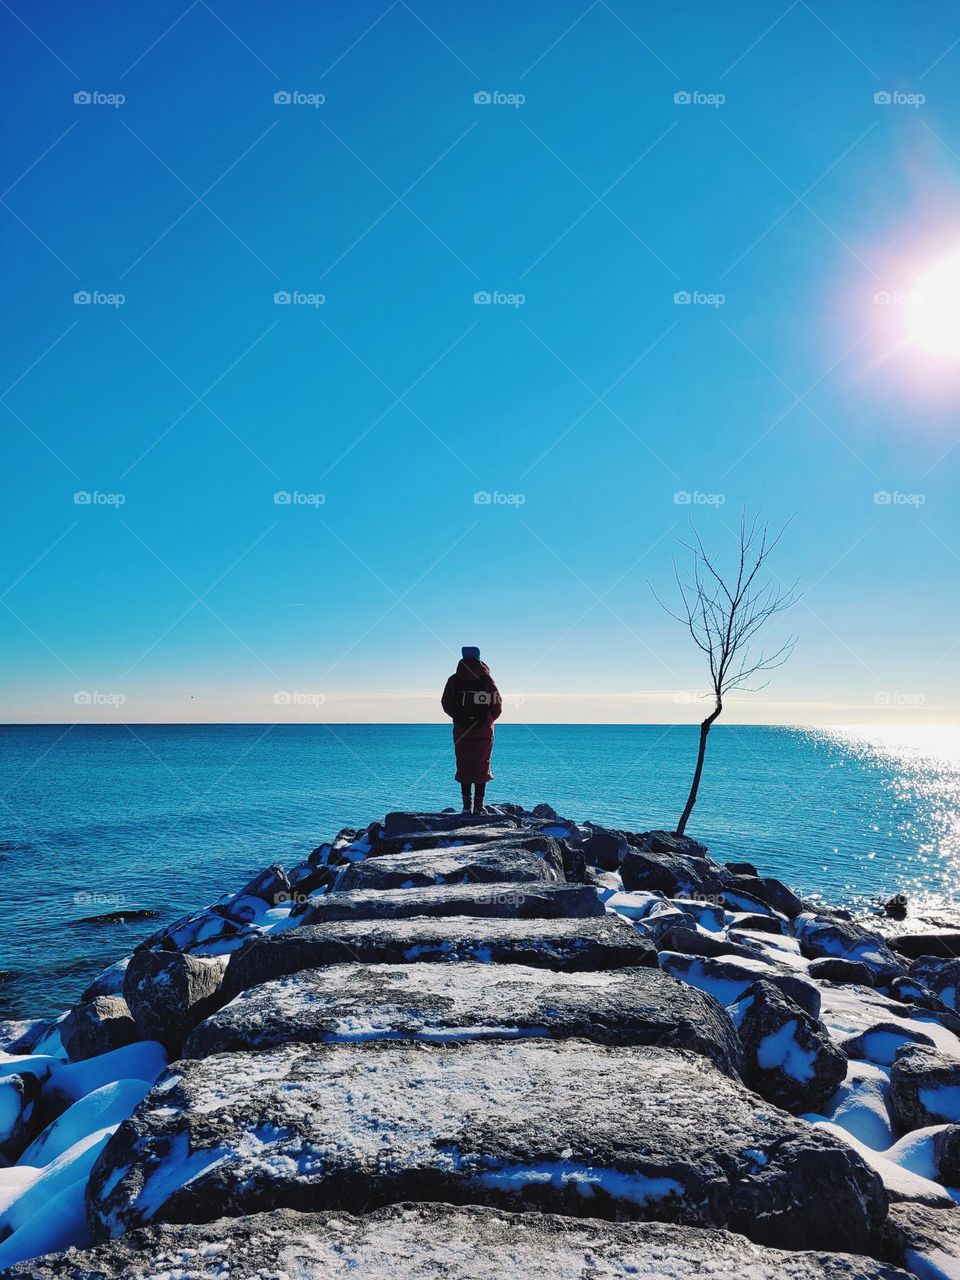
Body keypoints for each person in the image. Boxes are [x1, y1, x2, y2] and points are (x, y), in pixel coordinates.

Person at [441, 646, 502, 814]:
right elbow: (497, 705)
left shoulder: (454, 680)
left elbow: (445, 703)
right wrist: (487, 721)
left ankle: (466, 807)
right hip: (483, 729)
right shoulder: (486, 680)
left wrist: (458, 718)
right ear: (479, 657)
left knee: (464, 764)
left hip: (461, 729)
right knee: (481, 764)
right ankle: (479, 806)